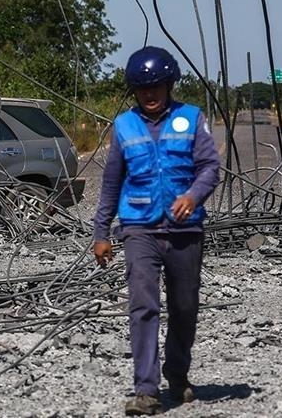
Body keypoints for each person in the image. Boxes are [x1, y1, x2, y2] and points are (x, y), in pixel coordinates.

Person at [92, 46, 221, 416]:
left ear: (169, 85)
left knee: (184, 306)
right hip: (139, 229)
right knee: (143, 306)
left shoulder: (191, 118)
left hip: (184, 231)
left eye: (156, 87)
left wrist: (193, 197)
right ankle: (146, 390)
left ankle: (177, 374)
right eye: (142, 89)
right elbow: (111, 183)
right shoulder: (123, 126)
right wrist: (101, 233)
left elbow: (210, 168)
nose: (150, 94)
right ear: (134, 90)